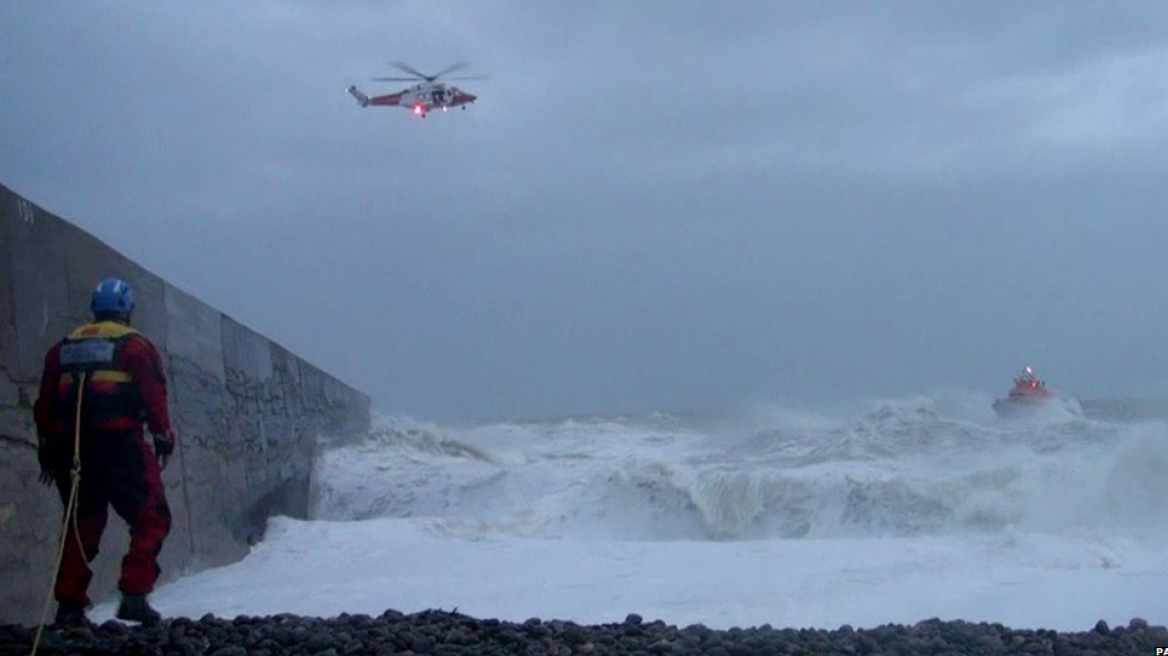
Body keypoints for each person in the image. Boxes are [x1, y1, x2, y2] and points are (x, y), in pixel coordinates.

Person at [34, 276, 176, 626]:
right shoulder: (134, 346)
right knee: (151, 515)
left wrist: (49, 448)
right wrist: (162, 437)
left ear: (94, 309)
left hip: (72, 448)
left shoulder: (62, 347)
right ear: (127, 310)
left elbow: (45, 403)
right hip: (120, 445)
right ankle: (134, 594)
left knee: (81, 522)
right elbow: (154, 394)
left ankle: (69, 606)